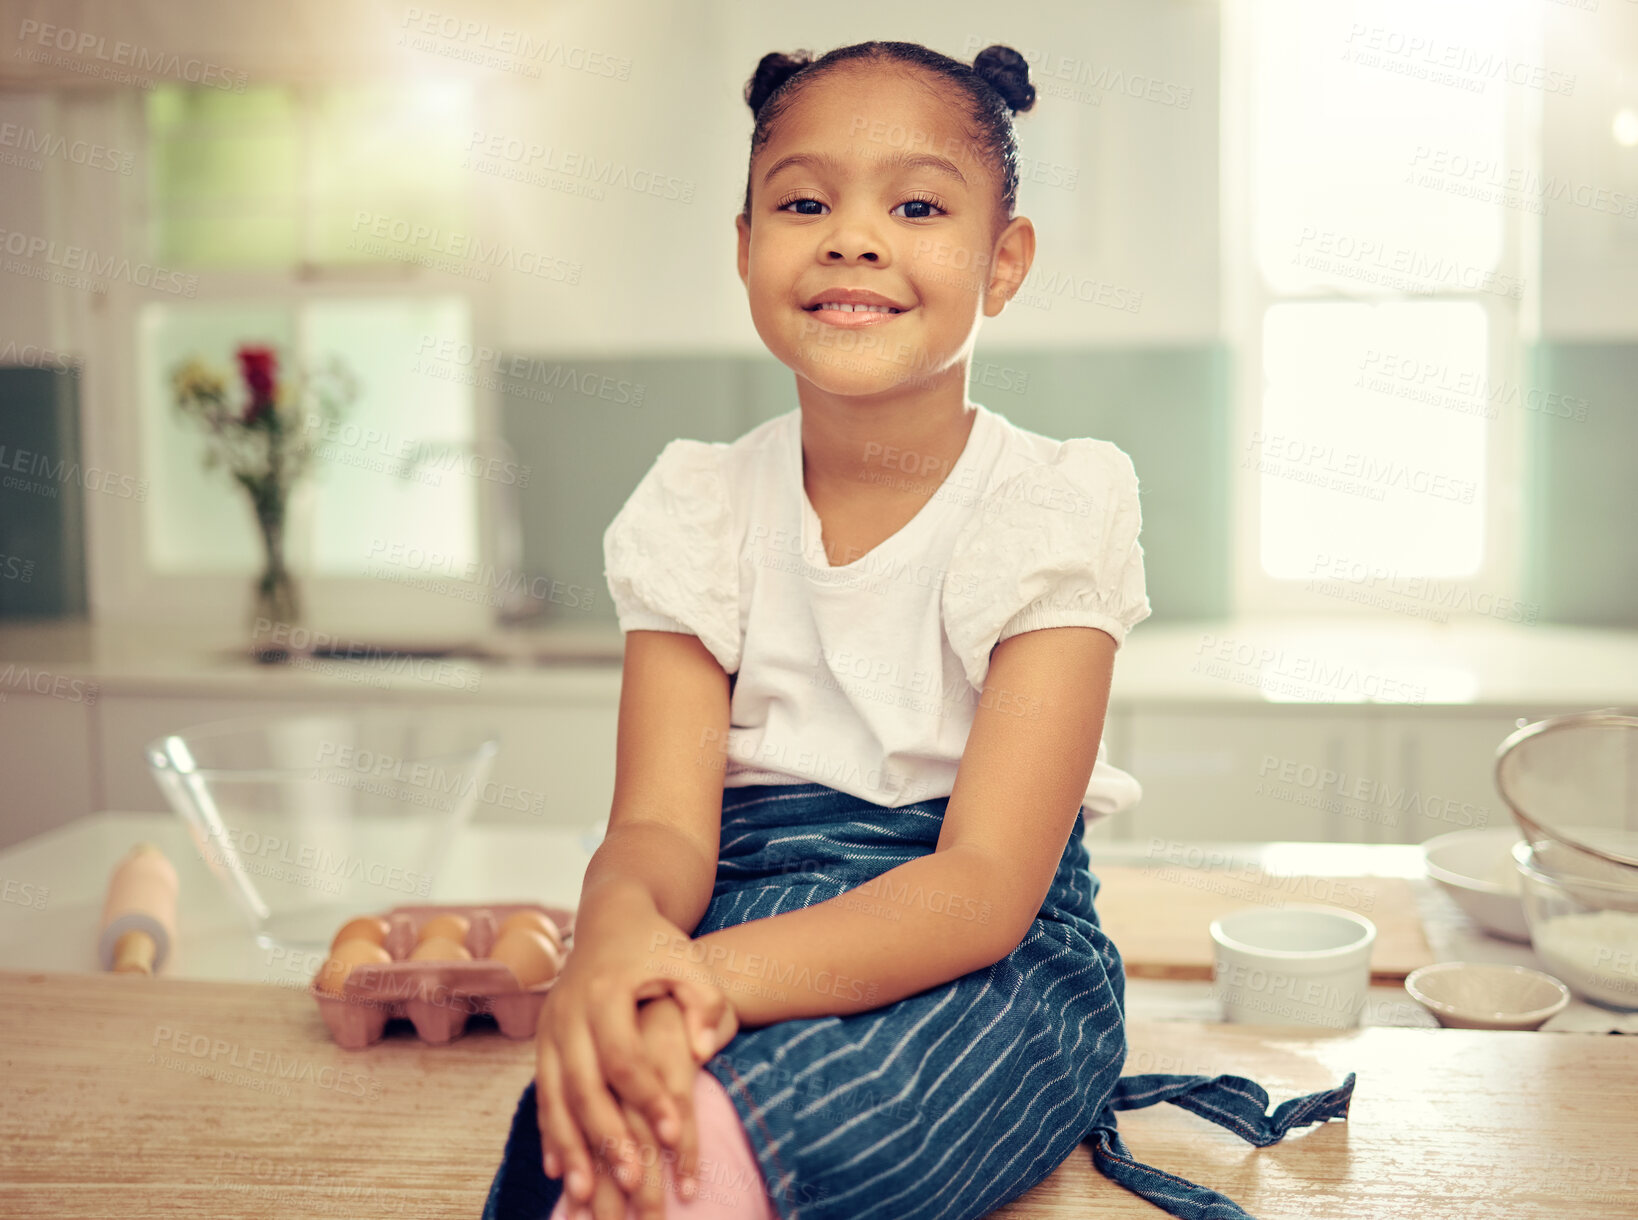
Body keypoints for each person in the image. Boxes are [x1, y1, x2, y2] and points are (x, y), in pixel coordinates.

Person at [482, 39, 1355, 1220]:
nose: (852, 235)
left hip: (987, 948)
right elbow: (656, 825)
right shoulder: (697, 503)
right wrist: (620, 936)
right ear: (744, 249)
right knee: (592, 1102)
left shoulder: (1053, 504)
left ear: (1003, 264)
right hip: (746, 898)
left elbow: (986, 883)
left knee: (783, 1113)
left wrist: (690, 978)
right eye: (802, 200)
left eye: (915, 204)